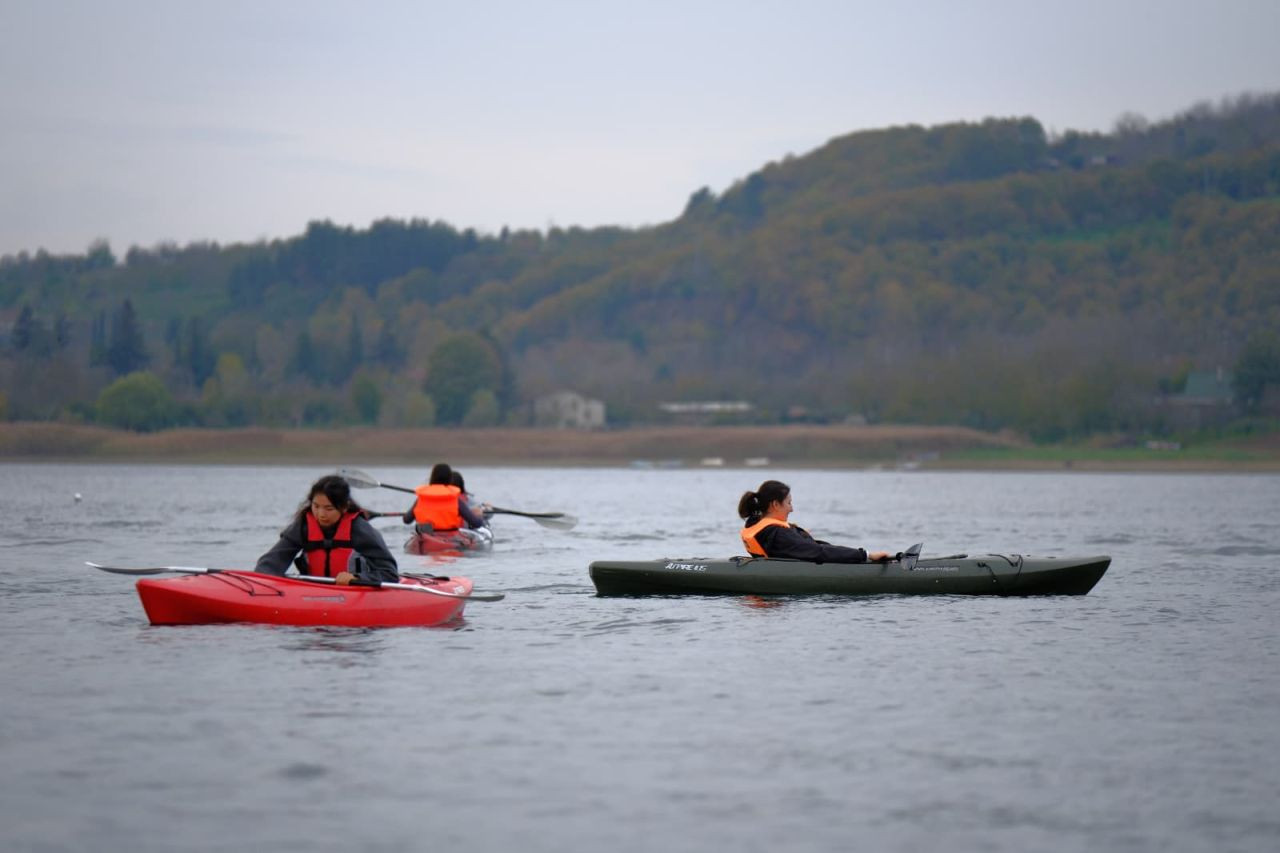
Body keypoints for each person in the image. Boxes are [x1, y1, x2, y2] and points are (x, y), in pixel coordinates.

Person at [255, 474, 399, 585]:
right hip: (313, 593)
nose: (321, 514)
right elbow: (270, 563)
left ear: (344, 507)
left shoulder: (360, 530)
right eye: (316, 506)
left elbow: (390, 574)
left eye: (328, 508)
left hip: (353, 592)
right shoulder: (303, 526)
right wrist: (262, 582)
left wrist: (357, 578)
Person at [738, 479, 890, 563]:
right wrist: (866, 555)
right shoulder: (778, 534)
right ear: (775, 505)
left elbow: (815, 547)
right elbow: (819, 552)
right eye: (789, 503)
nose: (792, 509)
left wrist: (861, 554)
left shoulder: (756, 523)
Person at [402, 463, 488, 532]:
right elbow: (476, 523)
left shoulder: (421, 498)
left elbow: (406, 520)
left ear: (432, 477)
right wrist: (479, 516)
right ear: (449, 479)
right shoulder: (455, 500)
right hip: (450, 537)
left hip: (426, 536)